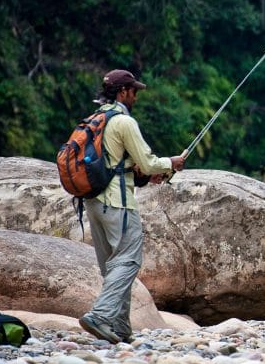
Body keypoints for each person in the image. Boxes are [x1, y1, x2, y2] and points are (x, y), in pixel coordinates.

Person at [79, 69, 185, 344]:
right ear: (123, 92)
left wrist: (148, 172)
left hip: (92, 200)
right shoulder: (124, 121)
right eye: (134, 90)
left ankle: (121, 327)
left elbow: (122, 163)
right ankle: (101, 316)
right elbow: (148, 163)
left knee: (112, 266)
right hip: (118, 203)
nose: (136, 95)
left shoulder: (96, 117)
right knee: (129, 261)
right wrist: (170, 163)